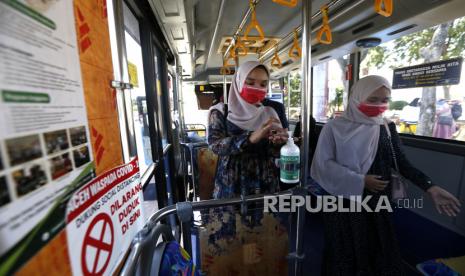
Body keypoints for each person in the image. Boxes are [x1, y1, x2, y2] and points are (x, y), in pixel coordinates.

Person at [311, 75, 461, 275]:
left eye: (384, 100)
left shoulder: (385, 127)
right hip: (343, 204)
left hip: (377, 205)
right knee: (345, 251)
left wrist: (430, 187)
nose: (380, 106)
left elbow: (401, 163)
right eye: (373, 100)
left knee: (377, 252)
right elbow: (323, 164)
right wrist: (360, 180)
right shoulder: (334, 127)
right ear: (357, 97)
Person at [207, 61, 288, 199]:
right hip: (232, 184)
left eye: (263, 84)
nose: (257, 88)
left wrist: (279, 144)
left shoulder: (270, 113)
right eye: (250, 83)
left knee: (267, 220)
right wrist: (250, 138)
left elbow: (274, 153)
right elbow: (215, 146)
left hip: (265, 182)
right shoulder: (220, 112)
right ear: (238, 82)